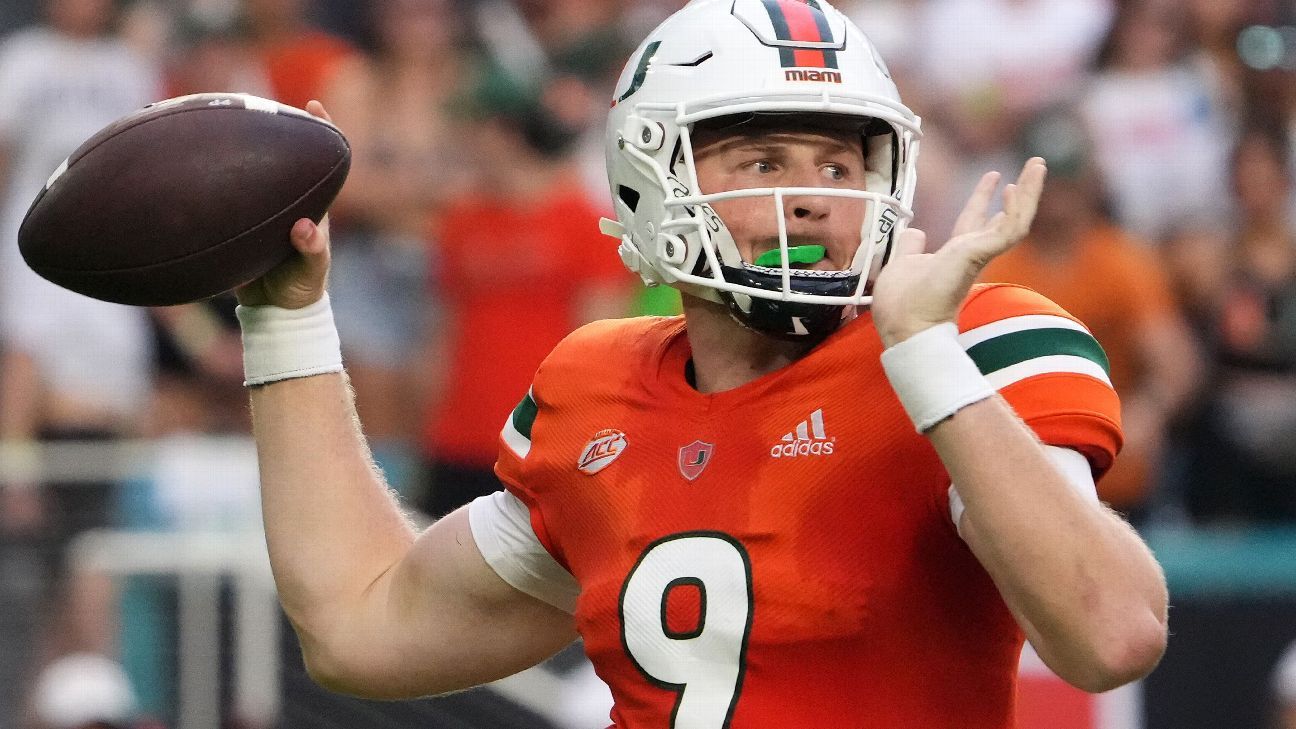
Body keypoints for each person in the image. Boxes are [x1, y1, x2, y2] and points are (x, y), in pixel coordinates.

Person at [234, 1, 1168, 726]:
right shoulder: (594, 390)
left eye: (840, 167)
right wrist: (287, 321)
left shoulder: (970, 346)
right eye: (762, 161)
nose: (810, 199)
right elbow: (361, 628)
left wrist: (927, 358)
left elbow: (1112, 632)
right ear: (650, 179)